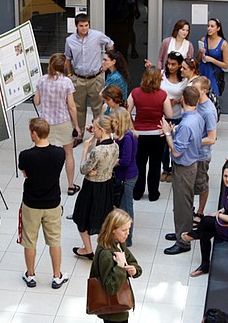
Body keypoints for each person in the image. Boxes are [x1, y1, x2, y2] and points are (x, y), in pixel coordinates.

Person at [90, 208, 142, 323]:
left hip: (114, 309)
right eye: (124, 230)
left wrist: (133, 269)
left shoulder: (117, 244)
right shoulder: (106, 253)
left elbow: (134, 264)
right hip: (113, 309)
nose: (128, 234)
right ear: (113, 229)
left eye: (128, 229)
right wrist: (120, 267)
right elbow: (110, 287)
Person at [17, 118, 69, 289]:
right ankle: (57, 275)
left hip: (31, 204)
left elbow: (24, 171)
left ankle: (30, 274)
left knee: (29, 241)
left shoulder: (25, 155)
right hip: (53, 204)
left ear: (34, 133)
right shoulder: (59, 153)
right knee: (54, 241)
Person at [182, 159, 228, 276]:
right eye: (225, 176)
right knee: (206, 230)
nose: (227, 179)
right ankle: (204, 263)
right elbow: (227, 206)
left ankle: (195, 235)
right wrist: (217, 213)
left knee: (205, 221)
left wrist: (217, 215)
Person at [159, 86, 205, 256]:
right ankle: (181, 232)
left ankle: (183, 241)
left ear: (183, 100)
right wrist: (172, 132)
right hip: (192, 164)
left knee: (182, 205)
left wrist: (167, 134)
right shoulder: (197, 118)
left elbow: (177, 151)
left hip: (184, 167)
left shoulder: (186, 124)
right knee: (184, 202)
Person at [71, 115, 120, 258]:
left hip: (92, 187)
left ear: (102, 129)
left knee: (82, 216)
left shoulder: (97, 151)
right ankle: (104, 248)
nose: (93, 131)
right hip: (107, 186)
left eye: (95, 128)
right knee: (103, 217)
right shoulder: (115, 146)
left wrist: (85, 149)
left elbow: (83, 169)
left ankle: (87, 248)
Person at [64, 13, 114, 145]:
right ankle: (79, 135)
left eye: (86, 25)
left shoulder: (97, 36)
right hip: (78, 78)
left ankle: (100, 136)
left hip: (95, 78)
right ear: (76, 26)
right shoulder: (70, 40)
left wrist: (107, 63)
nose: (84, 28)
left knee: (97, 108)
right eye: (81, 26)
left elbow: (110, 43)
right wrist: (70, 76)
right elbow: (68, 59)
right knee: (79, 108)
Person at [35, 53, 81, 196]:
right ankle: (70, 185)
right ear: (63, 66)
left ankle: (46, 184)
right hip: (63, 121)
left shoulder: (42, 80)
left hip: (45, 123)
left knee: (45, 154)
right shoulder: (66, 82)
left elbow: (37, 102)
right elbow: (72, 106)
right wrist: (77, 126)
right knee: (68, 153)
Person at [128, 66, 172, 201]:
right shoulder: (162, 95)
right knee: (155, 164)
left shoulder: (135, 93)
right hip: (157, 135)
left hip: (139, 133)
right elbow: (170, 114)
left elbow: (126, 111)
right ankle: (153, 193)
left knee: (139, 163)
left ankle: (137, 192)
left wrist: (133, 125)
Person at [190, 76, 219, 215]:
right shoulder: (195, 103)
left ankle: (200, 212)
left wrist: (192, 141)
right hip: (191, 153)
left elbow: (212, 138)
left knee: (201, 185)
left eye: (195, 90)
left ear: (204, 91)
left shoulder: (208, 111)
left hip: (201, 155)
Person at [157, 51, 187, 182]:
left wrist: (176, 100)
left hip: (177, 115)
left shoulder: (185, 79)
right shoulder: (162, 75)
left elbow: (188, 98)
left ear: (180, 65)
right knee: (164, 145)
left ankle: (175, 168)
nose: (170, 66)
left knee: (176, 143)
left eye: (174, 64)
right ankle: (165, 169)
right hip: (163, 116)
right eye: (168, 63)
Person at [111, 108, 138, 247]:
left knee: (127, 208)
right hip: (126, 175)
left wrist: (113, 162)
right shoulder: (127, 135)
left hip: (127, 177)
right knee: (123, 206)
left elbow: (126, 160)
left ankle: (127, 239)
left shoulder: (127, 137)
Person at [196, 18, 228, 96]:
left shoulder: (224, 44)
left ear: (218, 28)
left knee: (212, 97)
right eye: (208, 26)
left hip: (214, 75)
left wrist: (212, 60)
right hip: (202, 73)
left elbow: (226, 65)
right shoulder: (203, 39)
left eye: (212, 26)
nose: (209, 28)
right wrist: (200, 53)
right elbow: (197, 60)